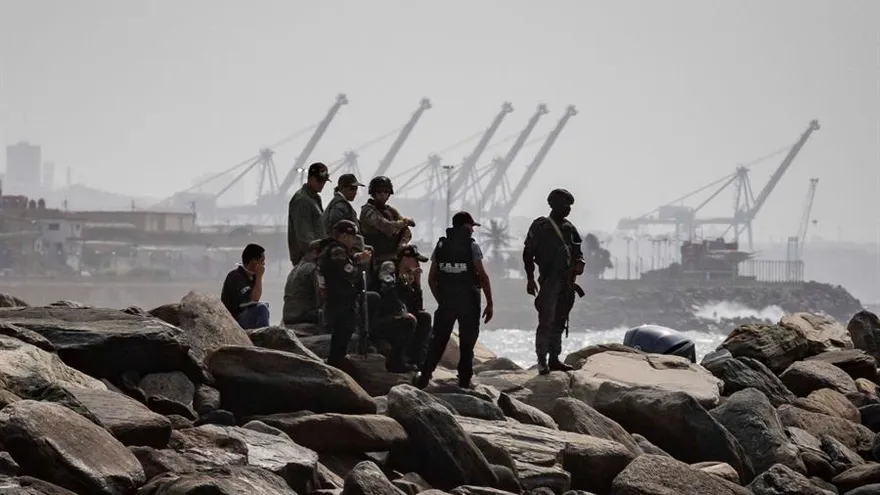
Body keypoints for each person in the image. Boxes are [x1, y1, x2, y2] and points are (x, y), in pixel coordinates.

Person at [417, 212, 493, 389]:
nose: (473, 230)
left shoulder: (441, 245)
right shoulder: (472, 246)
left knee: (437, 341)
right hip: (469, 302)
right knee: (467, 343)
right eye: (471, 226)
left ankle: (424, 376)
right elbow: (482, 276)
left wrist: (442, 300)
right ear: (466, 226)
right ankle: (464, 381)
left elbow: (431, 279)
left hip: (447, 301)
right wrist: (490, 303)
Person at [522, 188, 586, 375]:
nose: (568, 209)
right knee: (546, 321)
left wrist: (580, 263)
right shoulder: (540, 226)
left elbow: (578, 252)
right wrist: (530, 279)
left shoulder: (570, 228)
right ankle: (542, 360)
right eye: (566, 205)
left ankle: (554, 358)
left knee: (560, 321)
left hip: (567, 281)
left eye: (570, 206)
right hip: (549, 280)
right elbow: (528, 253)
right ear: (555, 205)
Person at [318, 219, 382, 369]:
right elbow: (349, 273)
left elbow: (346, 263)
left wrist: (357, 258)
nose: (353, 241)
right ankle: (336, 363)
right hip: (339, 300)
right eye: (352, 237)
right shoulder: (337, 250)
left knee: (344, 333)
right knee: (342, 333)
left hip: (340, 299)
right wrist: (362, 264)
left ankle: (338, 360)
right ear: (344, 236)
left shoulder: (335, 250)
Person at [375, 245, 432, 370]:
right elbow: (388, 290)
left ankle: (416, 361)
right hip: (381, 318)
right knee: (408, 320)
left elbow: (417, 307)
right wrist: (401, 309)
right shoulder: (390, 267)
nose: (417, 265)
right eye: (415, 261)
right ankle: (395, 362)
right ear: (405, 259)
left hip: (397, 319)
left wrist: (416, 284)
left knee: (424, 318)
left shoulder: (407, 278)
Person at [359, 176, 415, 269]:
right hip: (373, 259)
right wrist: (405, 221)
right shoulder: (367, 210)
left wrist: (402, 245)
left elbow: (406, 231)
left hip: (392, 257)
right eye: (379, 191)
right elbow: (387, 227)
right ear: (373, 193)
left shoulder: (391, 210)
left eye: (386, 191)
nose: (383, 194)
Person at [288, 162, 330, 266]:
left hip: (316, 256)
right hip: (307, 258)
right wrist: (316, 253)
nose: (322, 184)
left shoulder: (315, 198)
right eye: (319, 180)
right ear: (310, 178)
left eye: (324, 181)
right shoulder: (302, 200)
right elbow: (304, 235)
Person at [221, 243, 270, 330]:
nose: (264, 264)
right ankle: (265, 336)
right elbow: (254, 298)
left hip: (244, 315)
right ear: (253, 262)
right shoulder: (235, 276)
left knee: (264, 307)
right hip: (232, 320)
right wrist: (259, 277)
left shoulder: (251, 277)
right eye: (262, 261)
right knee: (261, 309)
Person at [282, 239, 328, 326]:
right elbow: (321, 298)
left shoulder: (295, 268)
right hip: (303, 316)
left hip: (289, 316)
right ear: (315, 253)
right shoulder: (312, 268)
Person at [322, 173, 367, 251]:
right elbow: (337, 230)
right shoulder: (339, 205)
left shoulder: (341, 204)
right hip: (342, 249)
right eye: (352, 188)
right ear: (342, 188)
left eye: (356, 189)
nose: (355, 192)